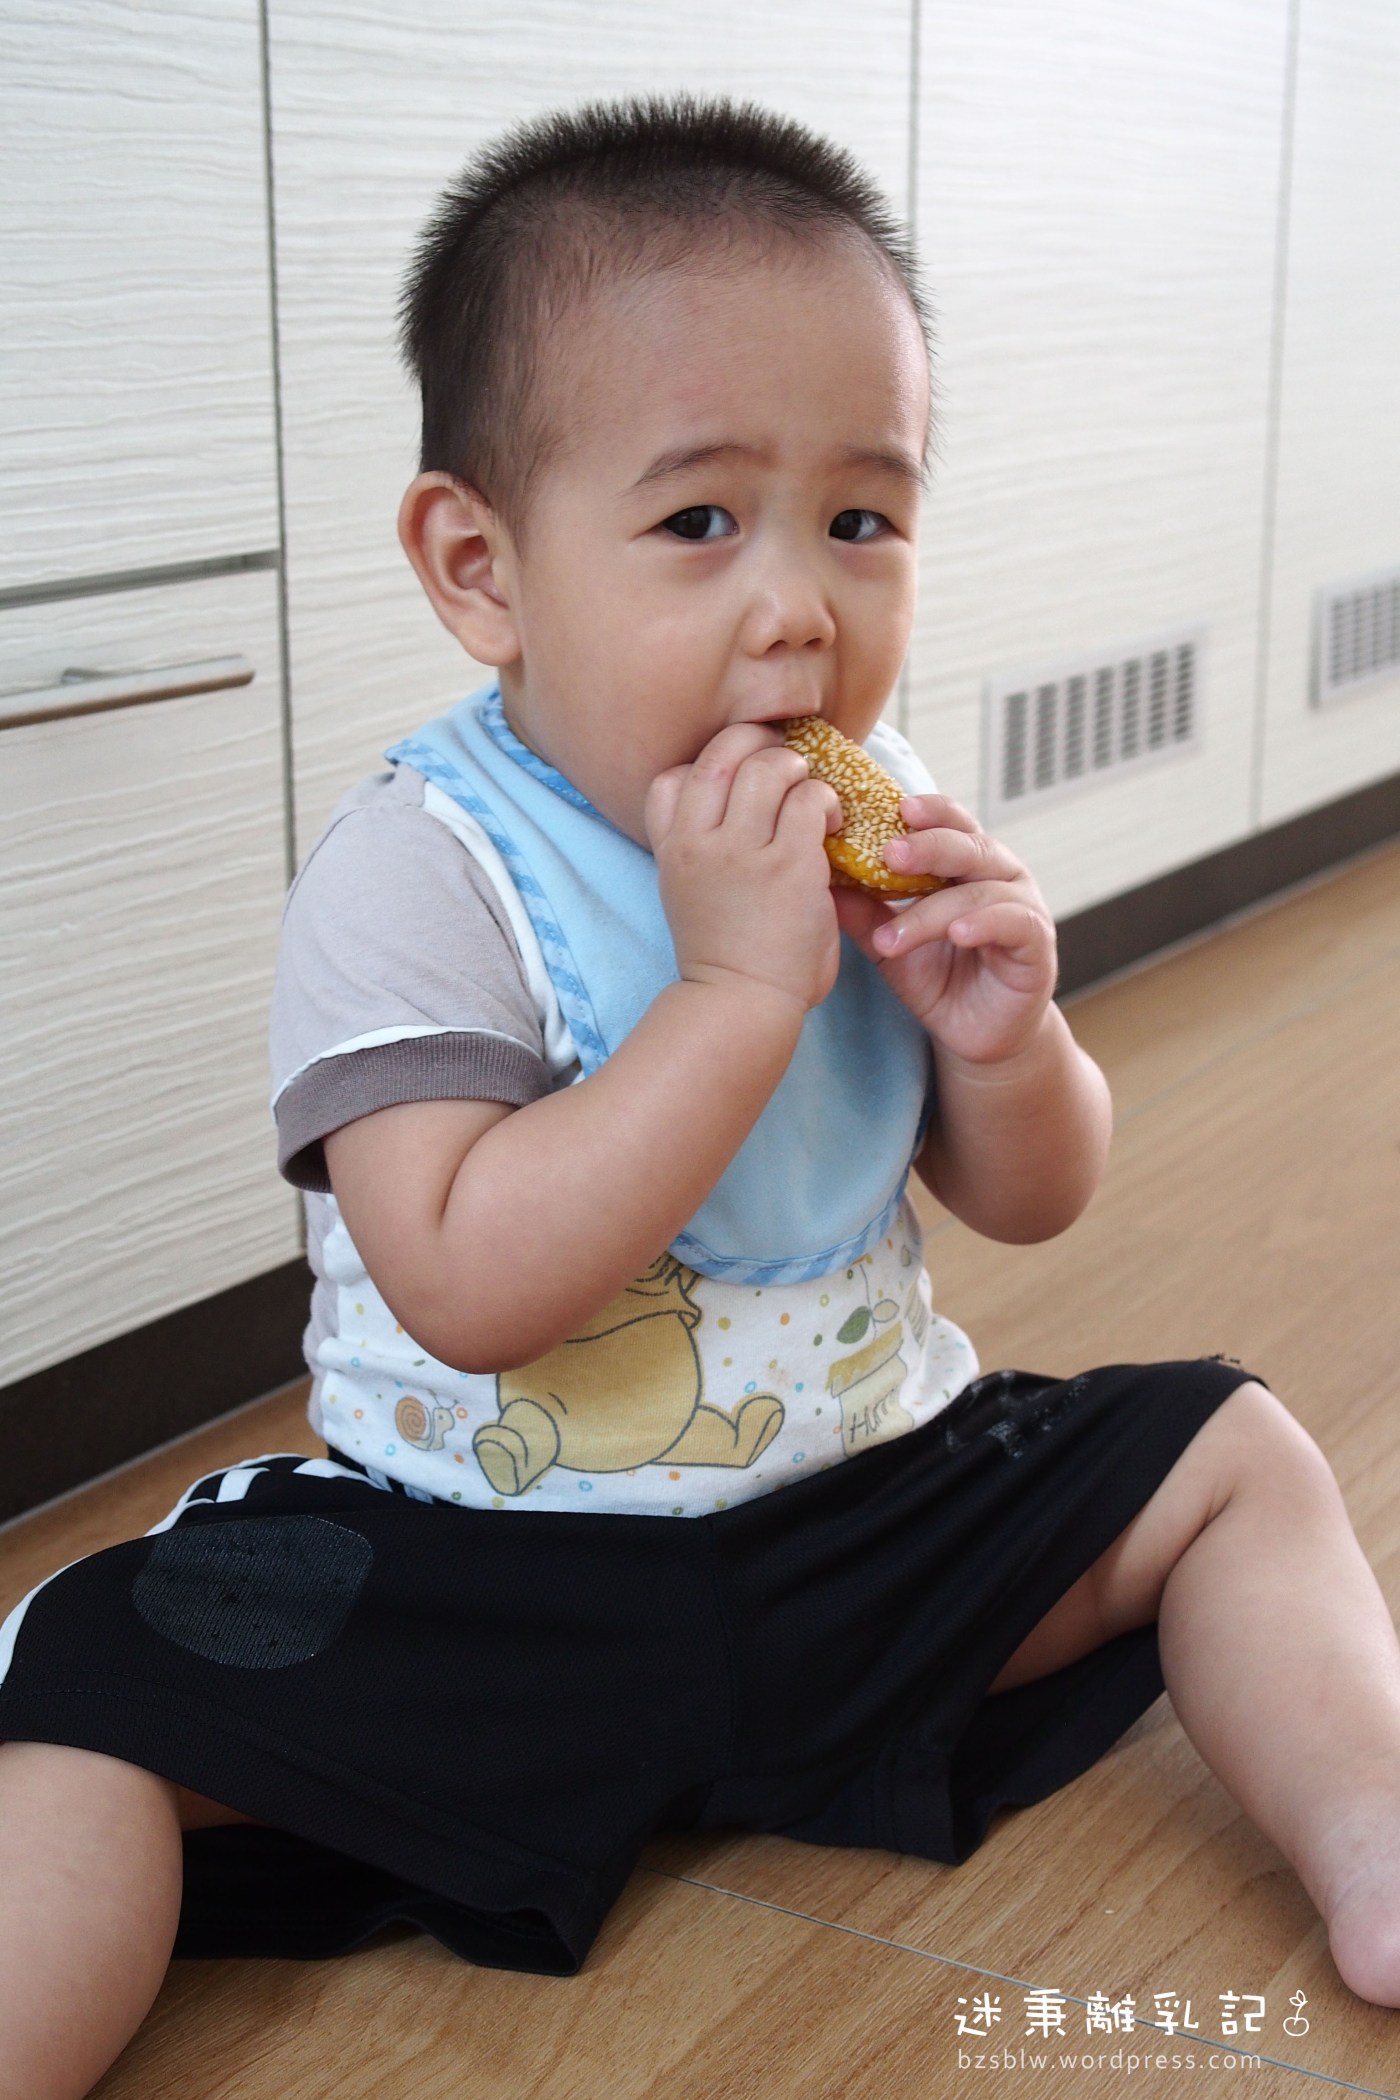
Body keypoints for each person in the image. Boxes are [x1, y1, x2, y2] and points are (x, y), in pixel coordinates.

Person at [2, 92, 1398, 2100]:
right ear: (481, 568)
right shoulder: (422, 871)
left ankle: (1375, 1843)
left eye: (861, 521)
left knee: (1233, 1452)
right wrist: (737, 992)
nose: (798, 607)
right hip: (484, 1587)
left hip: (865, 1529)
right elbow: (467, 1286)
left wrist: (1008, 1040)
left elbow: (1030, 1199)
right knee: (87, 1680)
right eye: (698, 523)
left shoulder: (883, 806)